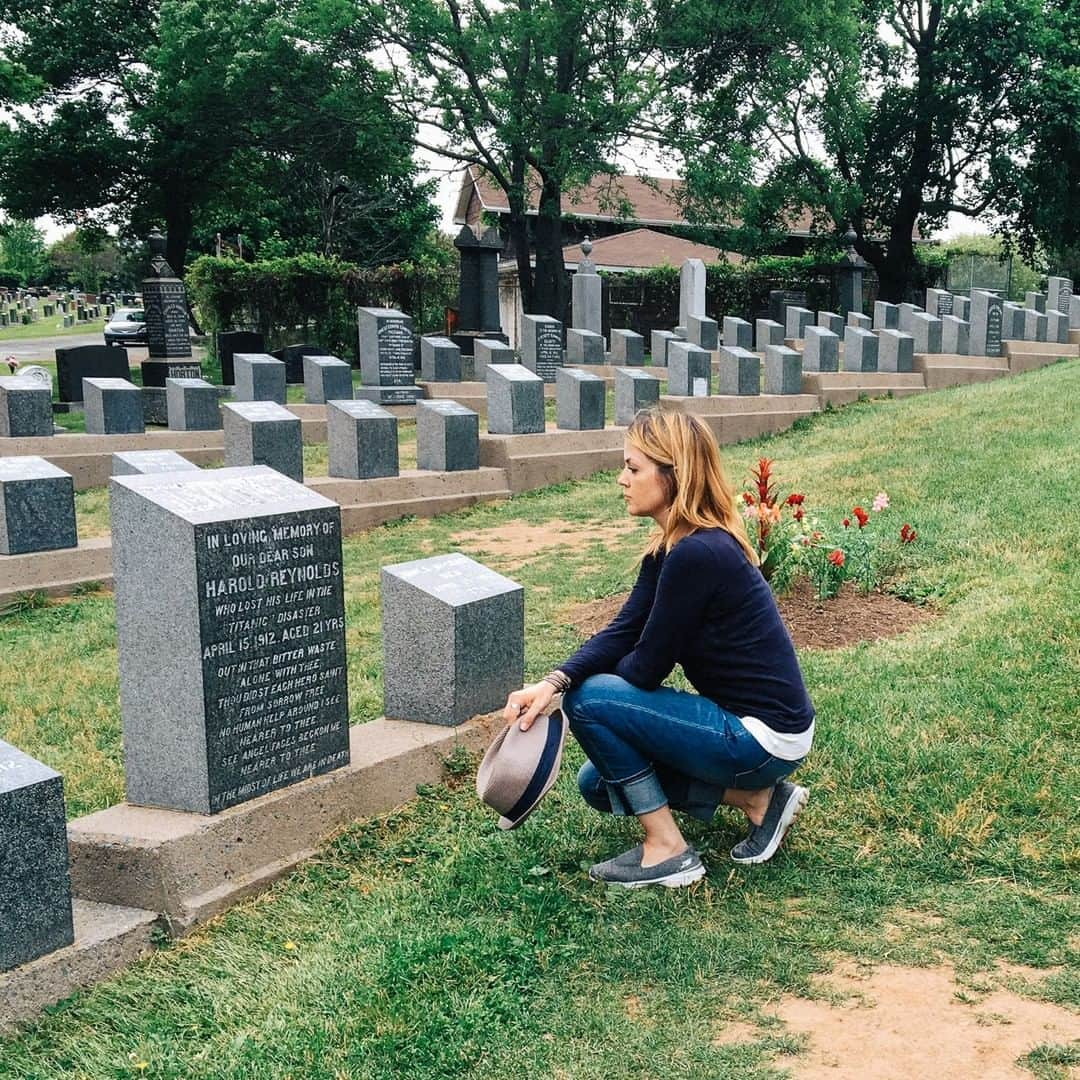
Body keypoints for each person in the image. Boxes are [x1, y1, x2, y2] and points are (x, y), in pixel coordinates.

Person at [502, 407, 814, 888]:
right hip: (759, 732)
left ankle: (667, 850)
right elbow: (624, 630)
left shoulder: (698, 553)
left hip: (762, 738)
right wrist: (552, 682)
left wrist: (580, 688)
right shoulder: (673, 547)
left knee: (593, 700)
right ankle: (760, 801)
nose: (621, 480)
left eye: (633, 468)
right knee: (598, 784)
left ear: (675, 474)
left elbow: (645, 668)